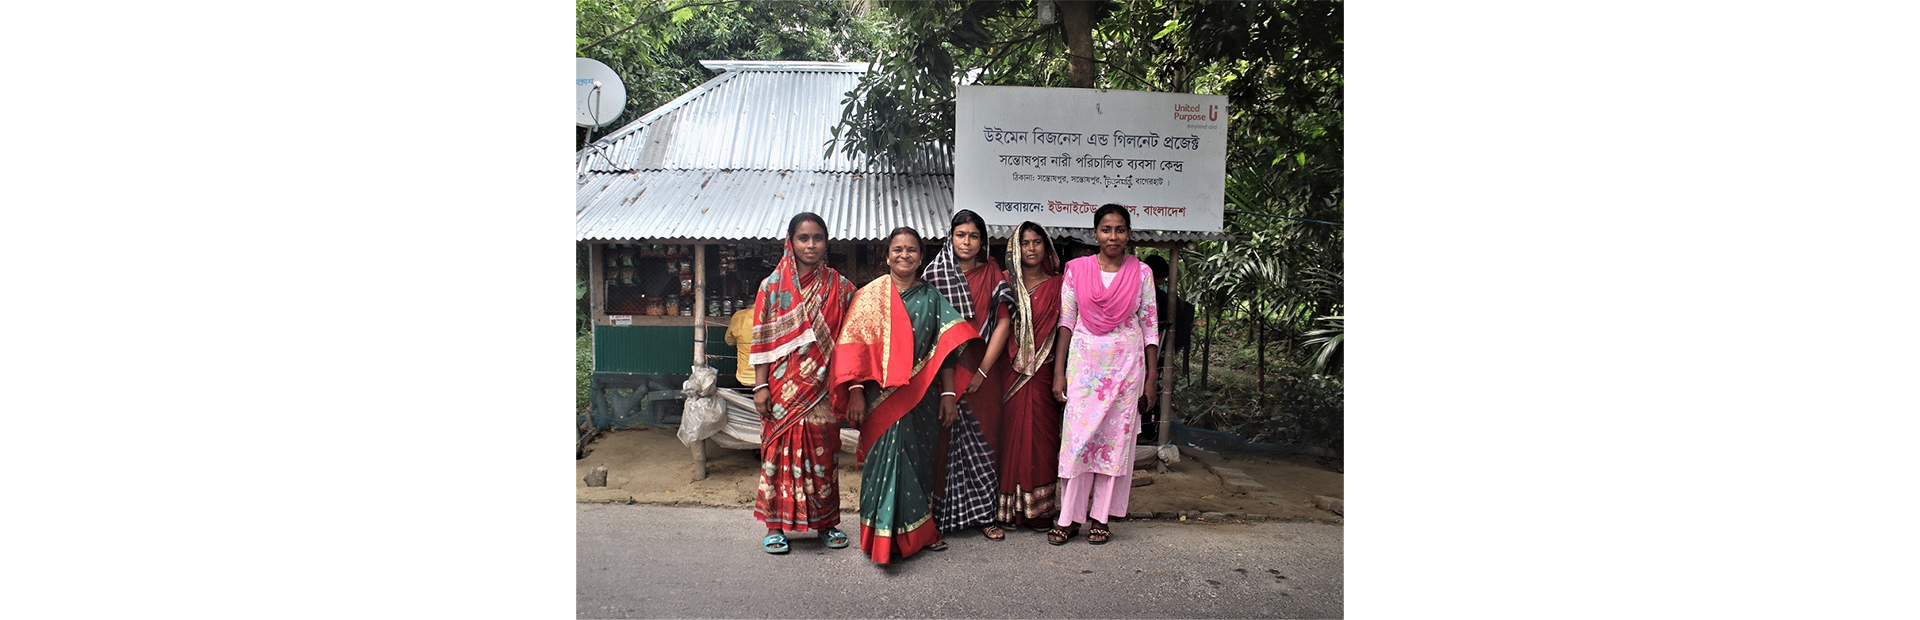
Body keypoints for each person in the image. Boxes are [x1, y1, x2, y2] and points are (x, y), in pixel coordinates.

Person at [831, 227, 980, 564]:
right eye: (897, 249)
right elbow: (853, 351)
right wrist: (855, 393)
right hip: (878, 399)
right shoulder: (868, 297)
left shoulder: (932, 298)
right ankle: (879, 536)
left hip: (920, 399)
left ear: (921, 257)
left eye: (911, 250)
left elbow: (946, 352)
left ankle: (919, 533)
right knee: (883, 463)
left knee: (916, 464)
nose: (904, 255)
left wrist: (948, 394)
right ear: (887, 256)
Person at [747, 212, 858, 555]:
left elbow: (854, 339)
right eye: (803, 238)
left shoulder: (841, 288)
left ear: (827, 243)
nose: (811, 245)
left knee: (823, 459)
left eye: (818, 238)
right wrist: (760, 386)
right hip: (780, 389)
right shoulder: (771, 287)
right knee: (778, 457)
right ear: (790, 241)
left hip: (824, 389)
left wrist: (853, 387)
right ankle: (775, 525)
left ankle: (826, 523)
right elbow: (761, 340)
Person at [1049, 204, 1159, 546]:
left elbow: (1150, 327)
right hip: (1083, 369)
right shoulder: (1076, 270)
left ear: (1129, 234)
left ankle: (1100, 517)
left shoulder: (1141, 273)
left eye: (1120, 229)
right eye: (1107, 229)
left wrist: (1152, 380)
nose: (1114, 236)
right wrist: (1058, 373)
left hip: (1126, 371)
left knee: (1113, 445)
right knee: (1077, 444)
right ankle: (1068, 518)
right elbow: (1066, 322)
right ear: (1095, 233)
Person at [921, 209, 1010, 540]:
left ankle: (985, 515)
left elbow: (1003, 321)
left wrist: (984, 371)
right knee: (944, 440)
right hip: (945, 369)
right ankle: (942, 517)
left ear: (982, 241)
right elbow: (928, 328)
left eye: (974, 236)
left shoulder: (993, 273)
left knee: (987, 439)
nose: (967, 242)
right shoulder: (934, 275)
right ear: (951, 237)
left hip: (985, 367)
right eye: (961, 235)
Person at [991, 221, 1066, 533]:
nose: (1032, 248)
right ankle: (1006, 510)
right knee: (1009, 437)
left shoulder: (1060, 285)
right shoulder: (1006, 282)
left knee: (1042, 440)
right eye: (1025, 243)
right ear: (1015, 249)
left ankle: (1039, 511)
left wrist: (1060, 371)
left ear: (1046, 247)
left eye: (1037, 242)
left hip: (1045, 372)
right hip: (1009, 373)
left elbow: (1065, 329)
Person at [723, 307, 755, 387]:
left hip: (744, 378)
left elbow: (729, 341)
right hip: (770, 380)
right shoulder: (776, 317)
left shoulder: (739, 316)